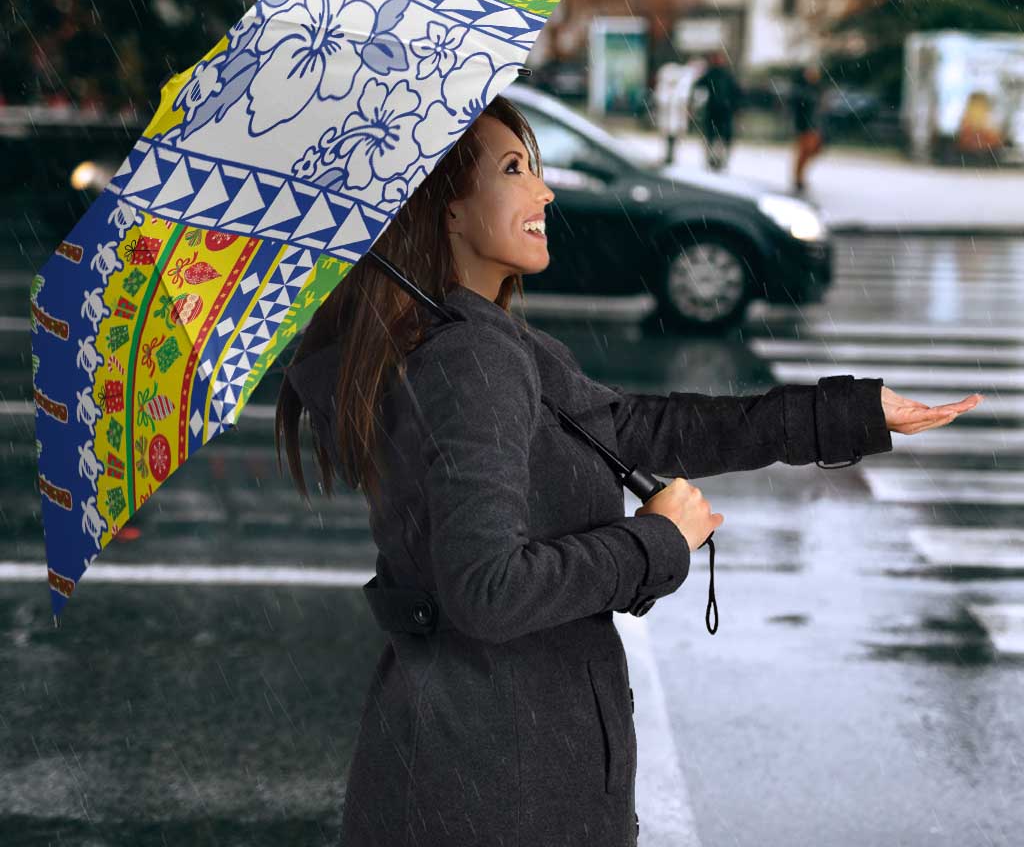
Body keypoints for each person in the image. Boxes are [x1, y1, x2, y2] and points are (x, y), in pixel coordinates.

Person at [275, 94, 979, 847]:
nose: (544, 191)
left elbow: (640, 428)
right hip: (498, 785)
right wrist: (655, 542)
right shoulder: (469, 359)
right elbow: (487, 591)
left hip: (478, 765)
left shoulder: (476, 340)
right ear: (446, 209)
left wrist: (849, 414)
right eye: (514, 169)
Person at [692, 49, 742, 172]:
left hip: (723, 111)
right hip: (715, 111)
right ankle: (713, 160)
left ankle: (719, 160)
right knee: (713, 137)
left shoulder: (725, 75)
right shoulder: (712, 74)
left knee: (720, 138)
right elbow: (698, 87)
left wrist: (735, 107)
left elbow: (736, 93)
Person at [790, 62, 826, 193]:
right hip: (805, 126)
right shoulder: (802, 90)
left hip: (814, 126)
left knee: (812, 151)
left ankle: (799, 177)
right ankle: (798, 178)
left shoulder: (817, 89)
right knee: (804, 152)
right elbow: (799, 109)